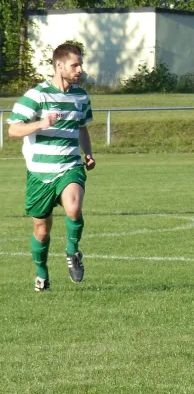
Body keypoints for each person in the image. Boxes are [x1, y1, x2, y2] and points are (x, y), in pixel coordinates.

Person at [7, 43, 95, 291]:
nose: (79, 69)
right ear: (59, 65)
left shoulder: (81, 96)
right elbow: (13, 129)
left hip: (70, 165)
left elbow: (82, 128)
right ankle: (42, 275)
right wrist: (40, 123)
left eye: (80, 64)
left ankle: (73, 252)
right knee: (41, 230)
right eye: (74, 64)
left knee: (74, 208)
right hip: (39, 172)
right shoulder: (37, 96)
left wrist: (87, 153)